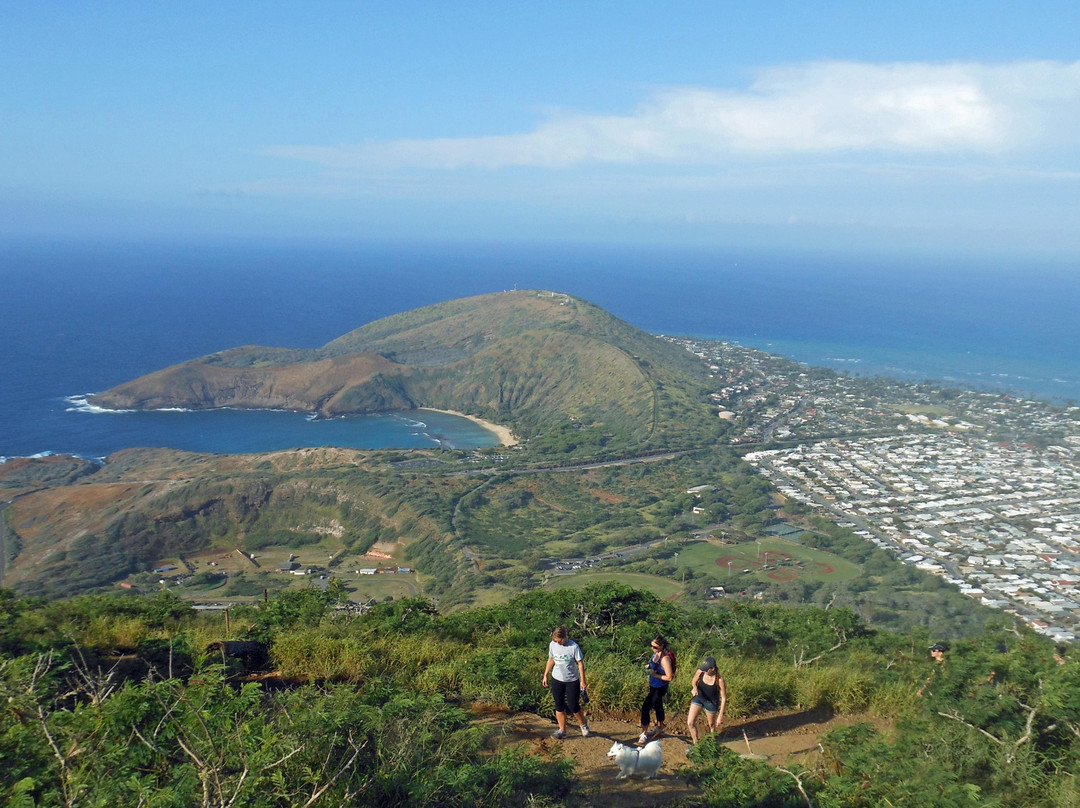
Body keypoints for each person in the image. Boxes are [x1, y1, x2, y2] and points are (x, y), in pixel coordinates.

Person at [542, 625, 590, 739]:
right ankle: (562, 731)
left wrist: (583, 681)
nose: (558, 643)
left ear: (564, 638)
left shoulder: (573, 647)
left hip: (572, 680)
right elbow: (551, 659)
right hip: (557, 679)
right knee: (559, 705)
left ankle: (583, 724)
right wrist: (545, 675)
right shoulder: (552, 645)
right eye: (556, 641)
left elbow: (580, 663)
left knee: (573, 705)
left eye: (560, 641)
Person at [639, 635, 675, 744]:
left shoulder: (665, 659)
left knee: (646, 707)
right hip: (654, 685)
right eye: (651, 646)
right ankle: (659, 729)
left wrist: (656, 675)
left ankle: (644, 733)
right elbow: (653, 665)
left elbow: (669, 677)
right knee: (658, 705)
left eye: (655, 647)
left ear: (662, 646)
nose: (652, 649)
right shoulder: (657, 654)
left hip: (660, 687)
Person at [687, 656, 726, 746]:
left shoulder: (719, 680)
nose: (703, 671)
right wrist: (694, 688)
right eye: (703, 669)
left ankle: (712, 743)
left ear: (712, 669)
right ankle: (696, 744)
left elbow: (724, 698)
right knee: (690, 722)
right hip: (699, 697)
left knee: (711, 724)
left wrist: (720, 715)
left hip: (711, 703)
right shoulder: (701, 671)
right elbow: (694, 681)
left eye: (706, 669)